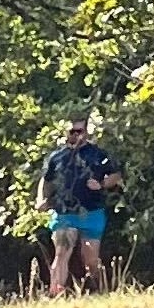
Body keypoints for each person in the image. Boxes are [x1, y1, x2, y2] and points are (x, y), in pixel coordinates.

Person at [38, 115, 121, 296]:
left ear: (86, 132)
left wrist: (101, 184)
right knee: (61, 253)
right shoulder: (56, 157)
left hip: (92, 212)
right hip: (64, 213)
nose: (76, 135)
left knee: (91, 260)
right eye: (72, 131)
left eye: (79, 131)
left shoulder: (98, 154)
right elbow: (45, 180)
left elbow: (115, 176)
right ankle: (55, 294)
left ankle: (100, 290)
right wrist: (42, 199)